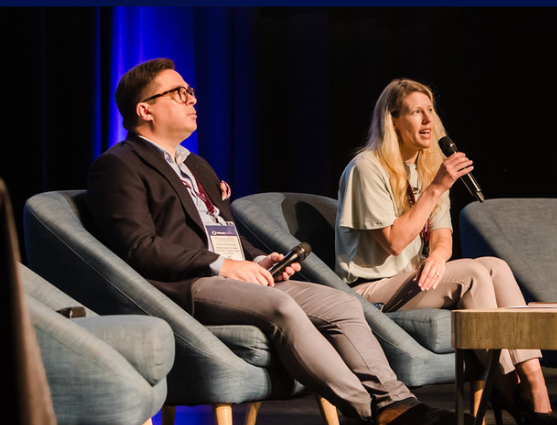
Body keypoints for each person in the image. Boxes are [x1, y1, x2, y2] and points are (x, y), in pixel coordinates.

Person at [87, 58, 469, 425]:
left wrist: (259, 258)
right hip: (186, 285)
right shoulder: (119, 165)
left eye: (190, 91)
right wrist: (223, 265)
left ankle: (396, 401)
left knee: (340, 303)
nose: (192, 99)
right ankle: (373, 411)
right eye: (178, 92)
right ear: (145, 110)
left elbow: (225, 232)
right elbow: (138, 247)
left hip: (233, 275)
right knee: (281, 304)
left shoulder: (195, 165)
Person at [335, 78, 557, 425]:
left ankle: (536, 387)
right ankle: (504, 384)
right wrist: (437, 187)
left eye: (430, 111)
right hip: (369, 289)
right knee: (472, 273)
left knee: (495, 266)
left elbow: (442, 236)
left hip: (412, 279)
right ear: (393, 119)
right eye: (416, 112)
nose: (428, 121)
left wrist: (438, 258)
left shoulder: (427, 166)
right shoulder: (368, 168)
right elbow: (394, 241)